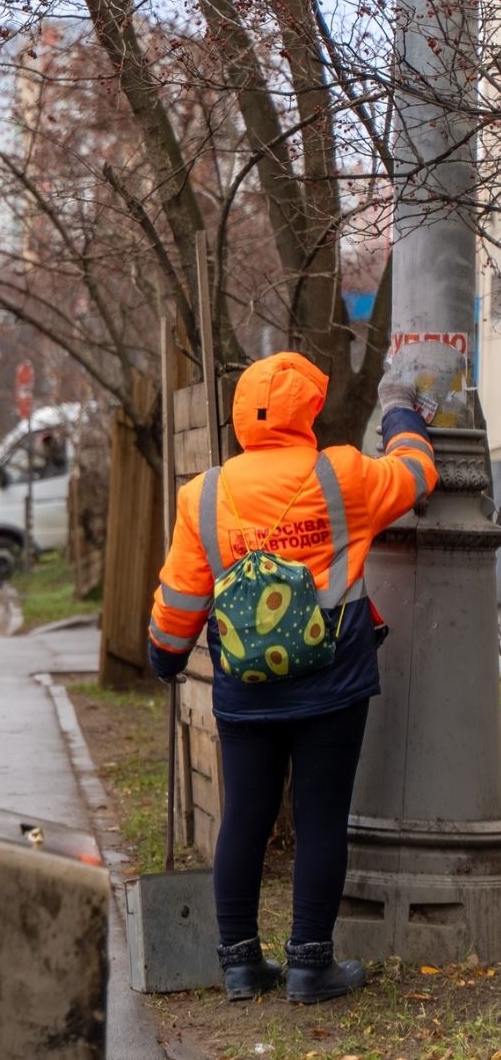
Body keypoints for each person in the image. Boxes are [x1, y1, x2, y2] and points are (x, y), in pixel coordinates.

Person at [147, 352, 437, 1005]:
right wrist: (398, 408)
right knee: (319, 818)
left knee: (244, 817)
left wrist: (164, 655)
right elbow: (419, 474)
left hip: (244, 686)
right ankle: (309, 965)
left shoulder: (205, 492)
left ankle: (239, 965)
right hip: (333, 681)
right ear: (307, 409)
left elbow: (182, 595)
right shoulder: (343, 474)